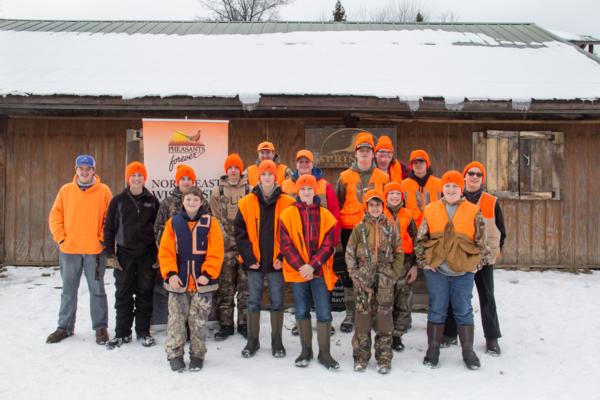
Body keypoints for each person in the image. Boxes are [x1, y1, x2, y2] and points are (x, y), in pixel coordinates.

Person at [415, 170, 492, 370]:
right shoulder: (431, 209)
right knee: (437, 309)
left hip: (463, 271)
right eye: (447, 186)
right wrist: (424, 262)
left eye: (455, 186)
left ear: (461, 189)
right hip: (437, 270)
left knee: (464, 310)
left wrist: (477, 265)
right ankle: (433, 350)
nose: (451, 189)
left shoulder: (473, 210)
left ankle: (468, 351)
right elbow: (421, 239)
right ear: (443, 188)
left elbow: (482, 242)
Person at [46, 154, 112, 345]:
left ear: (94, 170)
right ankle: (64, 327)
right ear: (76, 170)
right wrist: (61, 238)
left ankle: (100, 327)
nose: (84, 172)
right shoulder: (66, 191)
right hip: (70, 251)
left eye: (88, 168)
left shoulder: (104, 191)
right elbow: (55, 217)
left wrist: (101, 239)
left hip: (94, 251)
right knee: (68, 290)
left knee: (97, 290)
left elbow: (109, 219)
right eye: (81, 168)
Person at [441, 161, 506, 355]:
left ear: (482, 178)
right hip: (460, 257)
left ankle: (492, 338)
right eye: (471, 173)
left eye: (478, 174)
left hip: (484, 259)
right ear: (464, 176)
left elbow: (501, 230)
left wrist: (494, 252)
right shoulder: (454, 198)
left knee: (487, 297)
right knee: (456, 296)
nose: (474, 177)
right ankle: (451, 333)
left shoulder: (491, 201)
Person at [158, 186, 224, 372]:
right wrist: (170, 274)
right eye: (188, 199)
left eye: (195, 199)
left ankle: (197, 354)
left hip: (203, 281)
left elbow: (216, 251)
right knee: (176, 320)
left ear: (201, 202)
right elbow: (166, 252)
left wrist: (208, 273)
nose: (192, 203)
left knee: (198, 321)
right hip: (179, 281)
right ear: (183, 202)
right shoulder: (174, 223)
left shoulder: (210, 223)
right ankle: (175, 354)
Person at [235, 160, 296, 358]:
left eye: (270, 174)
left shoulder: (287, 202)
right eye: (264, 174)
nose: (267, 177)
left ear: (275, 177)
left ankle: (277, 342)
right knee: (253, 302)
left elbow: (291, 234)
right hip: (255, 263)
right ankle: (252, 341)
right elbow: (240, 233)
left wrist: (282, 256)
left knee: (277, 302)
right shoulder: (246, 202)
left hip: (277, 263)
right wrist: (249, 258)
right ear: (258, 177)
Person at [279, 175, 340, 370]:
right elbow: (285, 245)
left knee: (323, 312)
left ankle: (325, 353)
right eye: (303, 188)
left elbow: (329, 244)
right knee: (302, 310)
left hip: (319, 271)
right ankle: (306, 350)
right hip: (298, 272)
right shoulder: (287, 214)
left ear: (315, 191)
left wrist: (312, 265)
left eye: (309, 188)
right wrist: (301, 266)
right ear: (298, 191)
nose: (306, 191)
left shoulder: (326, 215)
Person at [281, 149, 341, 336]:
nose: (304, 165)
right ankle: (304, 340)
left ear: (312, 164)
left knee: (322, 300)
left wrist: (331, 247)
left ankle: (324, 336)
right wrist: (301, 266)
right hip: (298, 262)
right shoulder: (285, 187)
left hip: (320, 259)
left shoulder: (325, 187)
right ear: (296, 164)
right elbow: (285, 238)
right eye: (300, 162)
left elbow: (334, 214)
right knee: (301, 303)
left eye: (307, 162)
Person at [345, 189, 404, 374]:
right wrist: (354, 274)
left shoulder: (391, 227)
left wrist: (393, 274)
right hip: (363, 276)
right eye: (372, 205)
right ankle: (361, 357)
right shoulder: (359, 228)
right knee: (362, 317)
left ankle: (384, 358)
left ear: (383, 206)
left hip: (385, 278)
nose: (375, 208)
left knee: (384, 318)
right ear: (367, 207)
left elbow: (399, 251)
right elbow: (349, 252)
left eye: (378, 205)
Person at [336, 132, 389, 333]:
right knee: (352, 271)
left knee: (374, 270)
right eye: (361, 151)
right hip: (350, 230)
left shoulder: (383, 177)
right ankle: (351, 314)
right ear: (356, 153)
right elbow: (339, 202)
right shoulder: (344, 176)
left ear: (373, 154)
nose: (364, 154)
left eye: (368, 151)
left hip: (374, 229)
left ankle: (370, 313)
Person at [103, 162, 160, 349]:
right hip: (124, 255)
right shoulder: (117, 201)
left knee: (145, 293)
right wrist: (110, 254)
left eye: (140, 175)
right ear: (128, 178)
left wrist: (159, 255)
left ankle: (143, 332)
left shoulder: (152, 201)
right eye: (133, 175)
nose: (136, 178)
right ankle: (122, 333)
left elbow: (159, 230)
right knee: (123, 293)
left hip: (147, 255)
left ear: (145, 178)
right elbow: (109, 229)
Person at [209, 154, 250, 340]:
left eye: (236, 167)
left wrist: (245, 242)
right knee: (225, 287)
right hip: (225, 247)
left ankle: (244, 323)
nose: (233, 170)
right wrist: (225, 239)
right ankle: (226, 324)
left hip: (245, 246)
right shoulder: (218, 191)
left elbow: (253, 217)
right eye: (230, 167)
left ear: (240, 170)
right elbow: (215, 219)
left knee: (245, 286)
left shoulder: (250, 189)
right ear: (226, 170)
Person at [153, 164, 198, 328]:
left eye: (189, 179)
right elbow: (158, 228)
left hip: (195, 259)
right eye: (183, 179)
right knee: (177, 296)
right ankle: (178, 328)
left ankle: (192, 328)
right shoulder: (167, 203)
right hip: (175, 259)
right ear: (177, 181)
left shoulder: (201, 202)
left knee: (194, 295)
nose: (186, 182)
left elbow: (208, 229)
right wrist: (166, 251)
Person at [383, 181, 418, 352]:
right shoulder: (378, 213)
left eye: (398, 194)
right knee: (385, 300)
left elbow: (417, 241)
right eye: (391, 194)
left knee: (403, 300)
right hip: (385, 263)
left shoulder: (408, 215)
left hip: (405, 263)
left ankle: (397, 336)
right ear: (386, 196)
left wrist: (415, 266)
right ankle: (385, 334)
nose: (395, 197)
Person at [401, 149, 442, 227]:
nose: (418, 165)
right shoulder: (403, 185)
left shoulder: (439, 184)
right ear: (411, 165)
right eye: (415, 162)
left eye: (421, 162)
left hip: (434, 226)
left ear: (427, 164)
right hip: (412, 228)